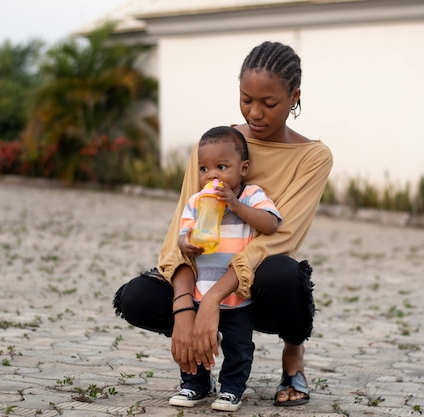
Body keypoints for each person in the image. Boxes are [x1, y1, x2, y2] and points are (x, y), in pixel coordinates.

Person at [113, 40, 333, 408]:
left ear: (295, 97)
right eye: (246, 99)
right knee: (137, 297)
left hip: (260, 289)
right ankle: (202, 355)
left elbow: (280, 238)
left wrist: (215, 298)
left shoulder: (312, 157)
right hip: (205, 273)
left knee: (285, 274)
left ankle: (293, 355)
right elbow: (180, 231)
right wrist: (185, 306)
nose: (255, 113)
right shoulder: (215, 147)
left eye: (270, 103)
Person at [170, 125, 282, 411]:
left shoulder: (251, 195)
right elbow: (181, 236)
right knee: (198, 343)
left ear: (243, 168)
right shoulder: (197, 200)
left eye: (221, 166)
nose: (212, 176)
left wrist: (236, 205)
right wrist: (187, 244)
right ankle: (195, 384)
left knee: (238, 347)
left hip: (237, 294)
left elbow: (271, 223)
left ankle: (232, 389)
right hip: (201, 290)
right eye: (204, 169)